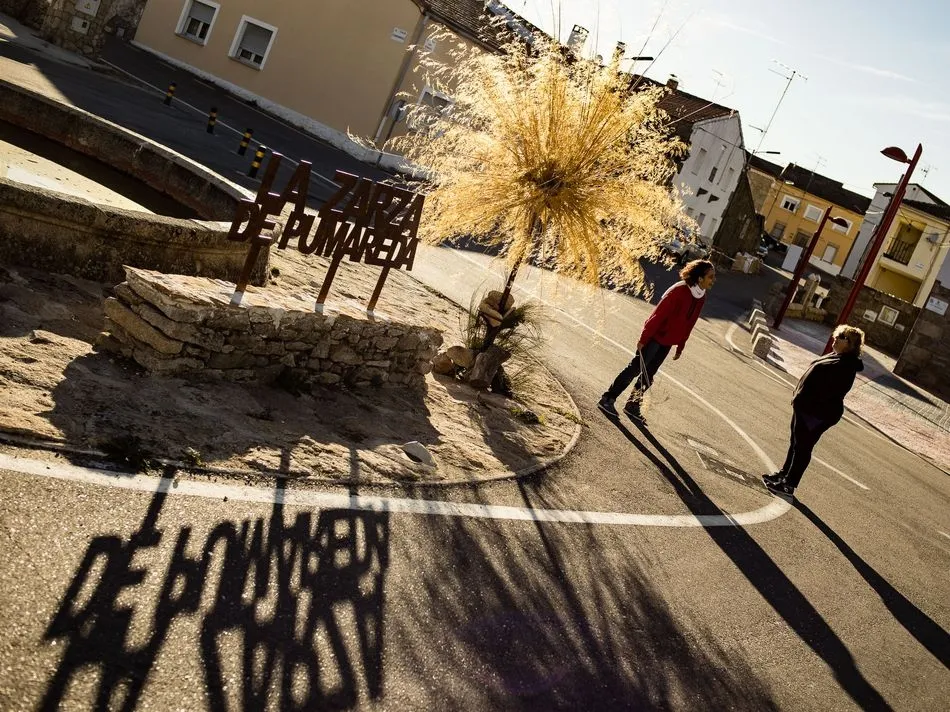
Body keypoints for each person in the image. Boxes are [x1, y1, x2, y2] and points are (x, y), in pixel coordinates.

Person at [598, 259, 716, 422]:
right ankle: (608, 398)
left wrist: (681, 345)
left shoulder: (701, 297)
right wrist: (644, 338)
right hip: (655, 337)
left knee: (649, 375)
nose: (713, 280)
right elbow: (658, 315)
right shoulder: (679, 291)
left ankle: (632, 405)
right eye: (710, 276)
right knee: (635, 369)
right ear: (699, 278)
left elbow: (690, 323)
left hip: (668, 342)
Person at [763, 325, 865, 499]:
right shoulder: (837, 357)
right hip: (806, 409)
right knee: (796, 442)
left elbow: (830, 392)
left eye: (840, 336)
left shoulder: (846, 365)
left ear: (850, 344)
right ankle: (784, 475)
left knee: (803, 447)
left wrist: (807, 405)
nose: (835, 337)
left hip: (816, 414)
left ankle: (789, 485)